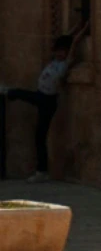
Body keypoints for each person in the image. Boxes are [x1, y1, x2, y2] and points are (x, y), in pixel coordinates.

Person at [0, 26, 86, 181]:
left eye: (62, 51)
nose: (59, 53)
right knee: (39, 136)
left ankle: (8, 92)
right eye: (58, 50)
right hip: (42, 96)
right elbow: (67, 37)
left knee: (27, 98)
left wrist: (85, 27)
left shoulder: (64, 64)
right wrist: (74, 29)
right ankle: (42, 170)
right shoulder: (54, 61)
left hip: (47, 100)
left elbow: (73, 42)